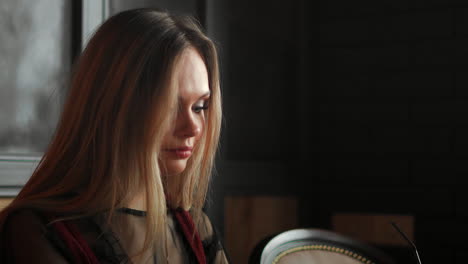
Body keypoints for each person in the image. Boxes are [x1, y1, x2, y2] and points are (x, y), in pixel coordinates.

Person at [0, 8, 228, 264]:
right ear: (114, 107)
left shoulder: (196, 231)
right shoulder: (38, 231)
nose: (194, 128)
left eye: (200, 107)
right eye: (170, 106)